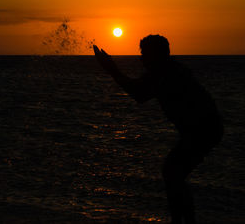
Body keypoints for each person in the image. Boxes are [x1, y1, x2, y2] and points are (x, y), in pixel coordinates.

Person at [93, 35, 223, 224]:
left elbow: (139, 94)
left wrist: (112, 69)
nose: (141, 58)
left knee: (173, 172)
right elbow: (140, 90)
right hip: (201, 130)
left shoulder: (168, 73)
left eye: (145, 53)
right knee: (173, 173)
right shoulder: (164, 70)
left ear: (158, 55)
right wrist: (112, 69)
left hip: (203, 130)